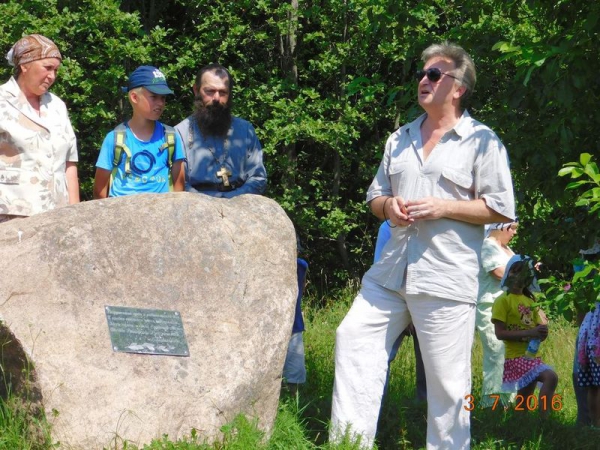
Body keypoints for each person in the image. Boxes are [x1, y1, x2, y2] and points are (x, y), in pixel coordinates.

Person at [330, 41, 515, 449]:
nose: (423, 80)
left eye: (435, 75)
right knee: (352, 337)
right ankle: (348, 443)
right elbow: (374, 197)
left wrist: (444, 207)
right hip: (390, 272)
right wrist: (388, 206)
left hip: (445, 278)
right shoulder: (400, 138)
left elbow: (501, 209)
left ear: (458, 87)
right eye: (422, 73)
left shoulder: (483, 142)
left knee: (448, 385)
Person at [0, 34, 79, 222]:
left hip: (57, 214)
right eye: (47, 68)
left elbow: (70, 162)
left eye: (56, 70)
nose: (52, 76)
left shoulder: (57, 106)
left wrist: (76, 212)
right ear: (24, 66)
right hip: (10, 215)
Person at [175, 64, 266, 197]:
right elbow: (180, 183)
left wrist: (232, 200)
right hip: (197, 208)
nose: (216, 98)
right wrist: (211, 205)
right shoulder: (180, 133)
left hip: (241, 206)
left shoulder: (245, 131)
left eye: (222, 92)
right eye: (210, 91)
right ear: (196, 90)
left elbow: (258, 178)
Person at [93, 66, 185, 198]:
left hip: (160, 213)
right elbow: (99, 190)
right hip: (122, 213)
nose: (160, 103)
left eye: (163, 98)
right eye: (154, 97)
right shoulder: (114, 139)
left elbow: (179, 185)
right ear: (134, 97)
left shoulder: (170, 137)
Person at [492, 255, 558, 417]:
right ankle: (544, 419)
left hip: (529, 356)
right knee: (550, 377)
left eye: (523, 273)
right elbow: (500, 334)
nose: (517, 277)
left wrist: (542, 333)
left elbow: (537, 331)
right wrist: (530, 333)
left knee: (525, 397)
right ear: (508, 274)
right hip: (514, 357)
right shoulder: (503, 301)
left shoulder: (530, 301)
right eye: (514, 272)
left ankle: (519, 423)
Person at [375, 221, 426, 403]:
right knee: (380, 356)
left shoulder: (436, 227)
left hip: (427, 302)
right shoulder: (388, 226)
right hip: (392, 299)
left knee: (430, 363)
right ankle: (378, 404)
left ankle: (424, 410)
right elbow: (381, 266)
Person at [476, 222, 518, 409]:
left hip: (510, 308)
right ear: (501, 227)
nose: (514, 233)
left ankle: (509, 402)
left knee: (511, 354)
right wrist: (527, 273)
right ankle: (490, 404)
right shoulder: (487, 245)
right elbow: (499, 273)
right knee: (496, 352)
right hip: (491, 307)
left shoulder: (508, 249)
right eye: (512, 228)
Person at [574, 240, 600, 426]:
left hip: (588, 335)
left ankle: (591, 425)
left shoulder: (581, 276)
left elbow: (579, 316)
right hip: (597, 335)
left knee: (592, 383)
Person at [282, 253, 309, 395]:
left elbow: (301, 289)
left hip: (294, 325)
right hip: (288, 325)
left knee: (295, 373)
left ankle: (291, 407)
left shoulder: (300, 265)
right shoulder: (300, 265)